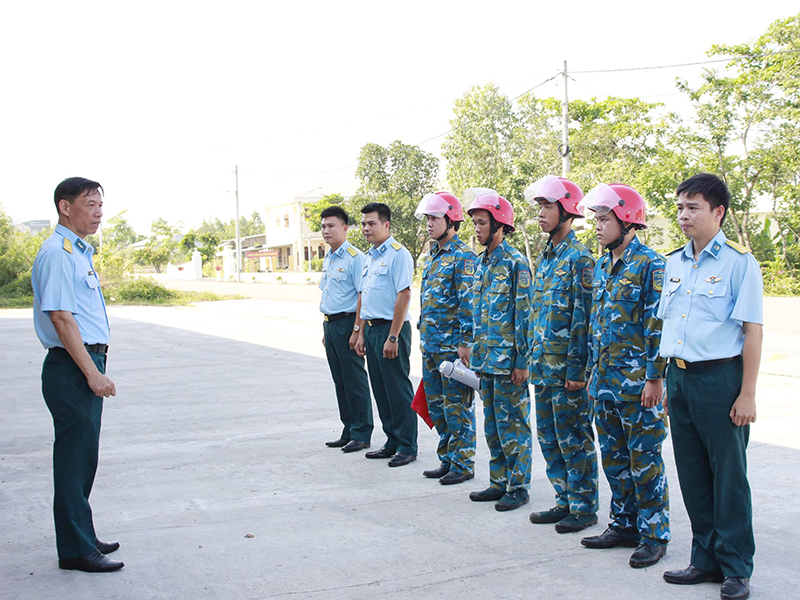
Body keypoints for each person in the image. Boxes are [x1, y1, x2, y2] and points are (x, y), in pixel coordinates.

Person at [658, 173, 762, 600]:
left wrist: (747, 393)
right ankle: (704, 559)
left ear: (718, 212)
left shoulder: (739, 262)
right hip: (680, 377)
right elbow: (667, 325)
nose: (683, 215)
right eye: (680, 207)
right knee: (693, 473)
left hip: (721, 378)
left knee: (729, 476)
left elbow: (752, 331)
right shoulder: (674, 262)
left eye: (693, 207)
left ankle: (735, 568)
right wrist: (668, 381)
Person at [31, 177, 124, 572]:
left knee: (84, 458)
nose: (99, 212)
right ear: (65, 207)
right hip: (73, 366)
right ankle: (75, 550)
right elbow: (61, 318)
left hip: (83, 362)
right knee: (73, 460)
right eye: (90, 204)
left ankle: (82, 535)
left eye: (101, 205)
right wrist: (91, 373)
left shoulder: (78, 252)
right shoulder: (58, 253)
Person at [577, 183, 670, 568]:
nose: (597, 226)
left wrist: (655, 378)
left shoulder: (651, 264)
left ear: (628, 220)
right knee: (614, 460)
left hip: (638, 385)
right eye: (596, 220)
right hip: (605, 384)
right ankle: (624, 524)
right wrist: (591, 375)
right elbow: (595, 326)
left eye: (604, 219)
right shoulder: (601, 266)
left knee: (645, 462)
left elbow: (656, 324)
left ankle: (654, 535)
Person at [524, 175, 599, 533]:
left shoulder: (579, 259)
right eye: (539, 206)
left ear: (567, 210)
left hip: (567, 372)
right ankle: (564, 499)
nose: (540, 212)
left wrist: (577, 372)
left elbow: (583, 319)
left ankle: (584, 507)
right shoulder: (547, 257)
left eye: (547, 206)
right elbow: (539, 315)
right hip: (544, 367)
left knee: (575, 440)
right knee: (550, 438)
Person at [465, 188, 533, 511]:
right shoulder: (481, 263)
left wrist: (521, 361)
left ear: (499, 225)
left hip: (508, 364)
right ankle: (499, 481)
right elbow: (477, 312)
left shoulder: (516, 263)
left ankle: (518, 486)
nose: (477, 229)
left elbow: (525, 315)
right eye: (475, 223)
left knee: (513, 426)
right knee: (492, 425)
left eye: (482, 223)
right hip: (486, 360)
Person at [415, 192, 477, 485]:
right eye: (427, 218)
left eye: (434, 218)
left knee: (456, 407)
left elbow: (468, 302)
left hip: (452, 348)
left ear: (451, 220)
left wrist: (465, 342)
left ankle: (463, 463)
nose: (429, 223)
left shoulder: (464, 256)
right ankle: (448, 458)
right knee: (437, 407)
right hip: (431, 344)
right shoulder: (433, 256)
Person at [353, 203, 417, 467]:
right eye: (363, 224)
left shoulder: (398, 254)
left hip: (392, 329)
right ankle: (392, 440)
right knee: (380, 389)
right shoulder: (369, 257)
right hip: (372, 329)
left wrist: (393, 337)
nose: (366, 228)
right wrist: (360, 332)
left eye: (372, 223)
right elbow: (364, 296)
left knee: (397, 389)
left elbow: (404, 295)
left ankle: (407, 446)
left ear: (386, 225)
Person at [319, 206, 373, 453]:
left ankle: (362, 432)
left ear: (344, 228)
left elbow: (362, 295)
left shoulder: (355, 258)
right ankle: (349, 429)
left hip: (348, 323)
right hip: (331, 324)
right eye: (323, 226)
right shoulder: (329, 257)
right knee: (340, 380)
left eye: (331, 226)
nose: (326, 231)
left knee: (354, 380)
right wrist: (326, 330)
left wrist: (357, 331)